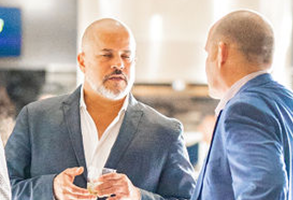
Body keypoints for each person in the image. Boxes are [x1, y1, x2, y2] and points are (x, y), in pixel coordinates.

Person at [5, 18, 196, 200]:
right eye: (107, 55)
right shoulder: (36, 118)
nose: (119, 64)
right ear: (82, 61)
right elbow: (5, 189)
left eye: (126, 56)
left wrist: (138, 196)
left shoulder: (166, 132)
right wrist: (51, 188)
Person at [192, 10, 293, 200]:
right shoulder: (290, 101)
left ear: (221, 52)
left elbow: (263, 188)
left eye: (208, 53)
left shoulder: (243, 109)